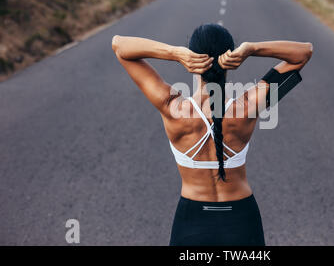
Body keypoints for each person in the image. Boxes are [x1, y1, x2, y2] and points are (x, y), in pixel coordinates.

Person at [111, 23, 313, 245]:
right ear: (231, 58)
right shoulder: (248, 106)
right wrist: (251, 49)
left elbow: (119, 45)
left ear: (192, 59)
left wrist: (174, 53)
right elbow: (303, 53)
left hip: (192, 219)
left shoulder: (172, 107)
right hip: (241, 218)